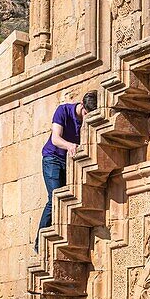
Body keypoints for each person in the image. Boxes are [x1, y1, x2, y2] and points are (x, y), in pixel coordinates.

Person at [35, 91, 98, 252]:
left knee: (68, 199)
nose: (86, 118)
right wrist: (70, 145)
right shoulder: (63, 111)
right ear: (82, 106)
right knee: (55, 198)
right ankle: (39, 242)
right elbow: (56, 138)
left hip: (69, 163)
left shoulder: (88, 120)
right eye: (85, 113)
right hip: (53, 159)